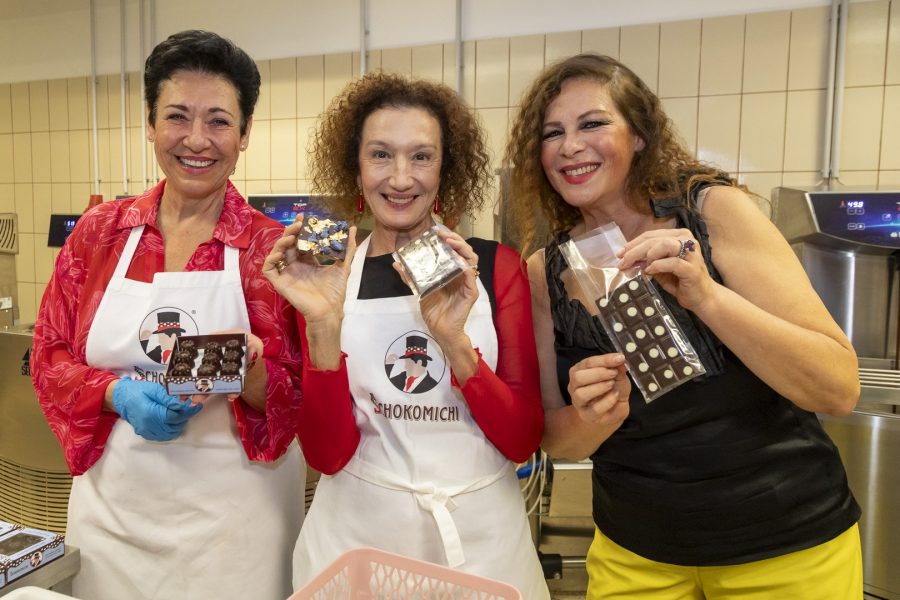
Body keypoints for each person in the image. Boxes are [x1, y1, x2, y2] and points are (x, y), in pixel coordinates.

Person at [504, 53, 862, 599]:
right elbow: (560, 441)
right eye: (552, 133)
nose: (570, 145)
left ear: (640, 134)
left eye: (593, 123)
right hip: (635, 556)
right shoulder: (543, 271)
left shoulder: (715, 214)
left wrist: (707, 297)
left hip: (783, 544)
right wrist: (594, 415)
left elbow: (837, 387)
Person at [31, 30, 304, 600]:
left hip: (235, 530)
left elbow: (303, 401)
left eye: (220, 121)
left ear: (245, 133)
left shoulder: (272, 252)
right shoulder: (100, 234)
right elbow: (48, 356)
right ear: (150, 124)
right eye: (178, 116)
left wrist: (253, 373)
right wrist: (114, 395)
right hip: (113, 520)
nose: (197, 141)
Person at [263, 72, 550, 597]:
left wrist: (456, 344)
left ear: (447, 168)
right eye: (380, 155)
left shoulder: (493, 267)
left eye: (421, 156)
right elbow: (327, 457)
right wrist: (324, 326)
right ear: (355, 166)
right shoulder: (328, 275)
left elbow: (521, 438)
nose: (400, 178)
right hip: (356, 544)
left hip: (478, 548)